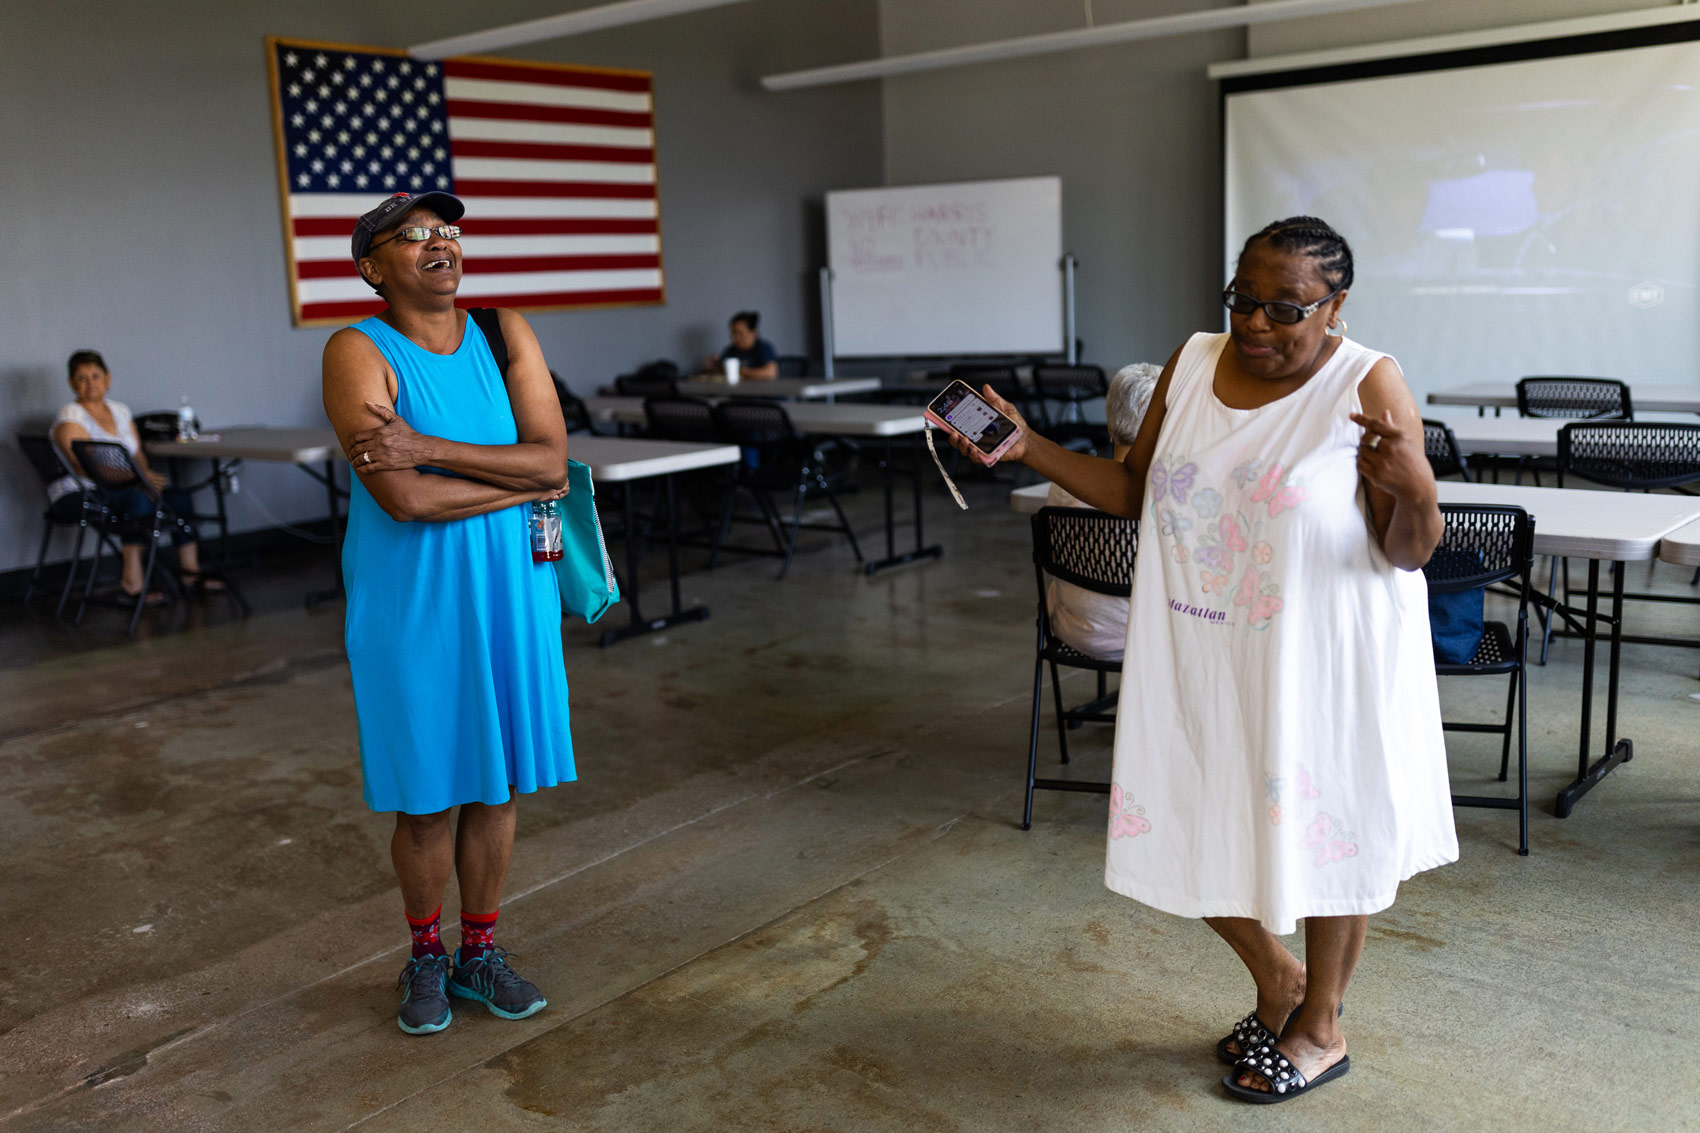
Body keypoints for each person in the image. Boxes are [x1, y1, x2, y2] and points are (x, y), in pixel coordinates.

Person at [945, 217, 1455, 1103]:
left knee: (1329, 831)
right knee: (1186, 817)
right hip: (1202, 647)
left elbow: (1408, 549)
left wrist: (1415, 485)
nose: (1257, 325)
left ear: (1335, 306)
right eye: (1243, 300)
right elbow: (1138, 490)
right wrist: (1028, 447)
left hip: (1323, 657)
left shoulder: (1365, 381)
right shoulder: (1190, 361)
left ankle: (1322, 1026)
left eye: (1285, 309)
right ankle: (1281, 981)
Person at [322, 190, 574, 1036]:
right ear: (372, 267)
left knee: (497, 784)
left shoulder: (506, 331)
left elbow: (555, 464)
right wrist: (514, 476)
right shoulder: (357, 349)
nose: (439, 243)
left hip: (512, 591)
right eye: (412, 236)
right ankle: (425, 953)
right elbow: (400, 502)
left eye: (446, 231)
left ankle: (480, 952)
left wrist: (426, 447)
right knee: (430, 792)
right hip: (415, 602)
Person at [48, 349, 220, 602]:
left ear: (108, 379)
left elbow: (137, 455)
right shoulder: (69, 417)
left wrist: (146, 475)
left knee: (178, 497)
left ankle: (190, 572)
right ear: (71, 383)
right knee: (137, 497)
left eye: (96, 376)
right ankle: (132, 581)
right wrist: (139, 480)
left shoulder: (120, 411)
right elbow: (84, 466)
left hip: (125, 486)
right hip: (81, 492)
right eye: (82, 378)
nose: (90, 383)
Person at [1043, 362, 1160, 660]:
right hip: (1149, 638)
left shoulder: (1063, 486)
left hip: (1074, 630)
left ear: (1109, 428)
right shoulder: (1166, 496)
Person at [708, 310, 778, 379]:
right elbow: (720, 370)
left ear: (753, 332)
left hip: (759, 389)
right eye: (734, 333)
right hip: (734, 390)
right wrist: (714, 365)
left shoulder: (763, 348)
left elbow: (770, 372)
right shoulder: (730, 350)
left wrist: (741, 371)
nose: (737, 338)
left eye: (741, 333)